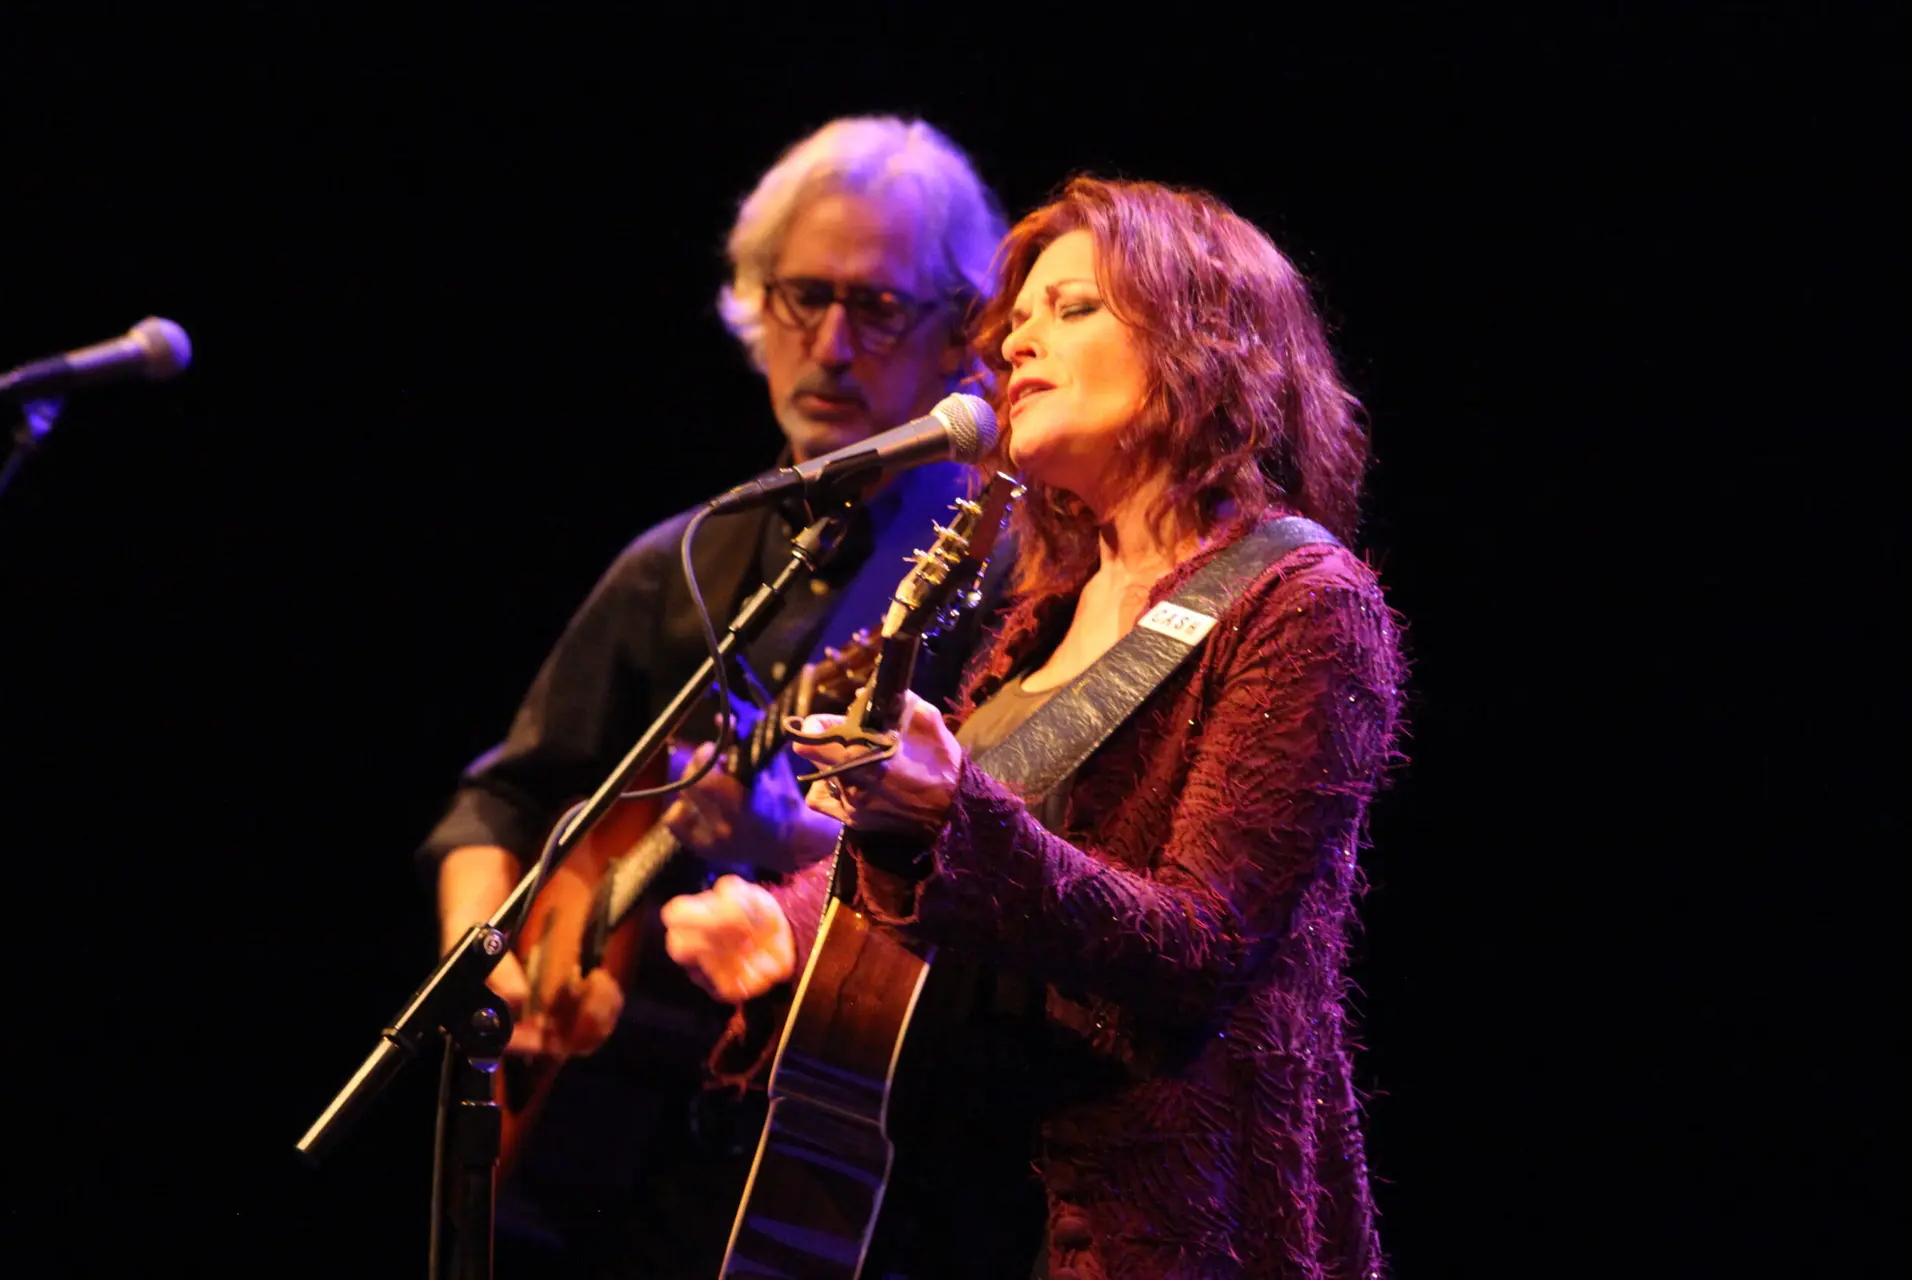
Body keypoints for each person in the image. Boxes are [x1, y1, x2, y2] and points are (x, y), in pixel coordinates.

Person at [661, 176, 1407, 1278]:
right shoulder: (1040, 620)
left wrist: (948, 809)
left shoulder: (1301, 600)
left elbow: (1197, 945)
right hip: (964, 1210)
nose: (1018, 343)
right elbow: (994, 858)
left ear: (1203, 335)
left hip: (1171, 1224)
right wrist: (789, 919)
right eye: (1014, 323)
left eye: (1072, 308)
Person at [416, 115, 1010, 1276]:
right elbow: (499, 803)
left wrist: (794, 837)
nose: (831, 345)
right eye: (801, 296)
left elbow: (998, 874)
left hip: (837, 1164)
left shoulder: (995, 576)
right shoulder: (679, 560)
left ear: (960, 338)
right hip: (598, 1157)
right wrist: (496, 963)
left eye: (878, 306)